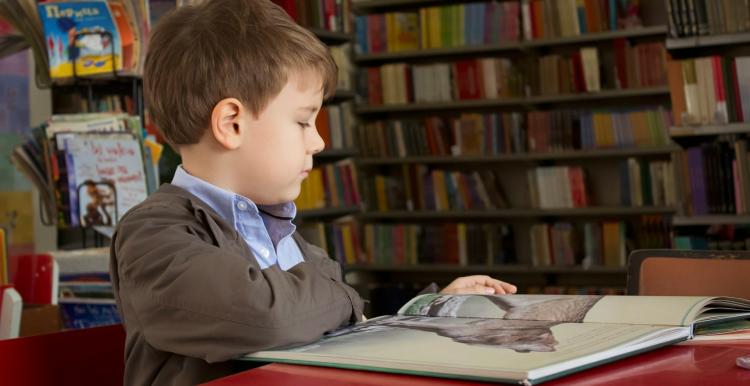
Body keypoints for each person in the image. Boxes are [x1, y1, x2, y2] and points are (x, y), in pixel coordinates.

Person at [109, 1, 517, 385]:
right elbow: (269, 317)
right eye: (304, 122)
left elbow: (326, 322)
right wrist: (341, 293)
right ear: (231, 123)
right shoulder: (152, 233)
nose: (318, 142)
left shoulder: (278, 227)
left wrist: (424, 311)